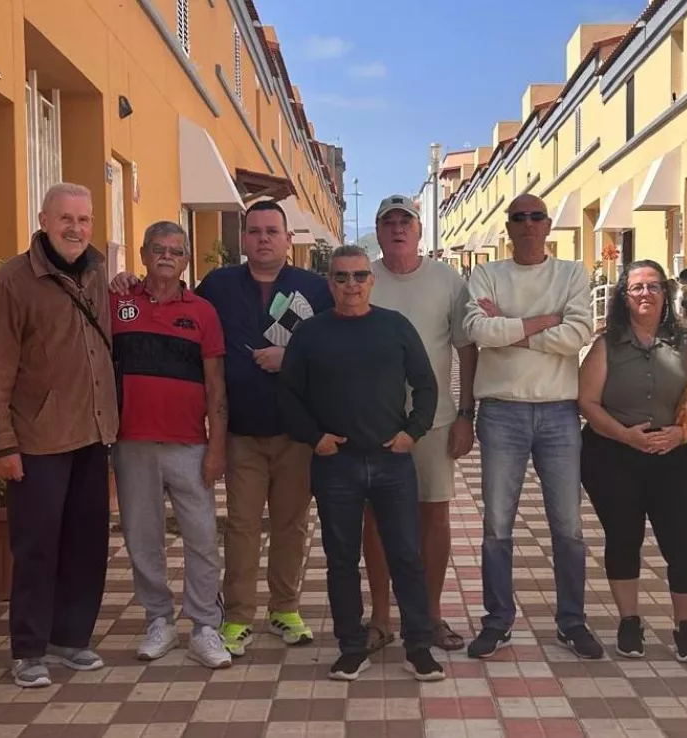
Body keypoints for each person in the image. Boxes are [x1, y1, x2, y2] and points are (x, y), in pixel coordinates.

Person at [112, 200, 333, 656]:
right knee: (241, 526)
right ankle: (235, 616)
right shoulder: (219, 285)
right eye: (255, 231)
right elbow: (170, 296)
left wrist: (291, 358)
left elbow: (336, 348)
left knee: (292, 524)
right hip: (240, 431)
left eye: (273, 230)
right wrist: (126, 281)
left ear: (289, 239)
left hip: (298, 431)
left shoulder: (316, 288)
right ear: (244, 239)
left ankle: (285, 607)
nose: (264, 238)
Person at [278, 245, 445, 682]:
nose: (350, 285)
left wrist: (414, 431)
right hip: (337, 466)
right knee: (340, 559)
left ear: (371, 282)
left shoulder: (395, 326)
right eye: (341, 277)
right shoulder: (311, 333)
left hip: (392, 461)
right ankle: (352, 647)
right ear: (329, 282)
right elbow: (288, 395)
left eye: (358, 276)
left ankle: (419, 646)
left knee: (407, 555)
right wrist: (315, 438)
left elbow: (426, 385)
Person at [0, 183, 117, 688]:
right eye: (65, 218)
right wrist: (3, 444)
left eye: (84, 219)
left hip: (91, 433)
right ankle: (29, 649)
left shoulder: (100, 275)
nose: (75, 228)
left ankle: (72, 638)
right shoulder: (13, 283)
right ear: (43, 220)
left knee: (87, 545)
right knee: (37, 547)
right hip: (36, 441)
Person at [462, 194, 599, 660]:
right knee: (496, 525)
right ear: (509, 225)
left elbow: (577, 335)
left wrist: (511, 327)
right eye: (518, 217)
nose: (527, 223)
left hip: (560, 412)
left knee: (569, 527)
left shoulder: (572, 273)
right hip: (501, 412)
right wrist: (544, 321)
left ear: (547, 224)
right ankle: (497, 621)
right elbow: (480, 332)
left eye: (535, 216)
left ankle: (572, 621)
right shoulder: (486, 274)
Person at [577, 260, 687, 663]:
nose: (645, 295)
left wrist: (684, 433)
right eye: (636, 288)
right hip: (613, 454)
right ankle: (629, 621)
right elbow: (586, 401)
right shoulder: (607, 344)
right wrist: (625, 435)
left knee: (685, 543)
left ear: (665, 294)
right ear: (623, 295)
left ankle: (686, 627)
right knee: (624, 538)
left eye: (653, 287)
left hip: (673, 453)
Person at [110, 222, 231, 669]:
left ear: (185, 260)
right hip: (132, 445)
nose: (166, 256)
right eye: (157, 248)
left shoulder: (202, 312)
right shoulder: (118, 303)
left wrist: (217, 448)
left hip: (189, 446)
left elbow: (216, 387)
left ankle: (203, 626)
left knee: (201, 538)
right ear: (142, 254)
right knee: (143, 540)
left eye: (175, 251)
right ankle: (158, 620)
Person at [362, 194, 478, 653]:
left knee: (434, 514)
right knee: (375, 519)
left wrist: (467, 414)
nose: (397, 229)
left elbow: (467, 348)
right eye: (387, 221)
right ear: (379, 230)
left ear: (419, 230)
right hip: (374, 421)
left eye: (404, 221)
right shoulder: (363, 276)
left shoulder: (448, 280)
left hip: (433, 420)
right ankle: (380, 618)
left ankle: (429, 617)